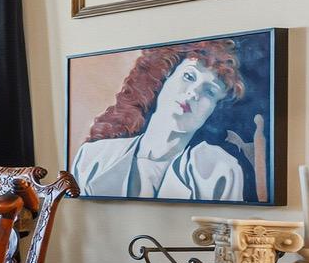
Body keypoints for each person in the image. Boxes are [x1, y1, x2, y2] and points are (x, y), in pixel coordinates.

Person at [70, 40, 254, 200]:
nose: (193, 92)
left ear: (215, 109)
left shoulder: (221, 170)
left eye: (209, 91)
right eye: (189, 76)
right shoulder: (92, 156)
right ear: (162, 78)